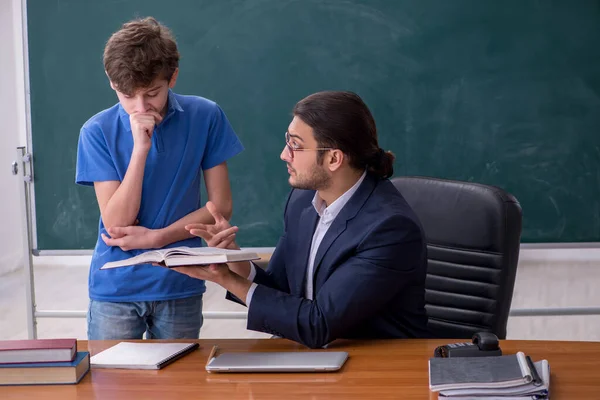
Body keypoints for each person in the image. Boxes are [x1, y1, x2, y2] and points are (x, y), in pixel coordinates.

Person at [173, 91, 429, 348]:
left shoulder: (389, 228)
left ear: (333, 158)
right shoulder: (302, 201)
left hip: (377, 366)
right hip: (313, 354)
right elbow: (280, 289)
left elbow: (319, 323)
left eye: (295, 144)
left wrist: (226, 280)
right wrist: (232, 260)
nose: (285, 154)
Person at [75, 17, 243, 340]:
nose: (141, 107)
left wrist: (157, 239)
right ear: (112, 83)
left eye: (152, 93)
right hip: (116, 287)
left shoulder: (206, 117)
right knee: (115, 388)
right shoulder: (95, 132)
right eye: (128, 96)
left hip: (180, 281)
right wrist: (140, 150)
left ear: (173, 78)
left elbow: (220, 206)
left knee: (180, 388)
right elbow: (116, 223)